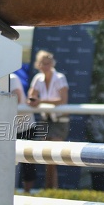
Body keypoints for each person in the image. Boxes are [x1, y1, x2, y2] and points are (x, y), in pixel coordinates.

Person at [28, 50, 69, 189]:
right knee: (47, 158)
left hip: (59, 121)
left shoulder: (60, 77)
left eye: (48, 63)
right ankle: (50, 190)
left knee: (53, 157)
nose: (46, 66)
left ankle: (52, 190)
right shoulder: (37, 79)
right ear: (38, 65)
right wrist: (33, 100)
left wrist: (40, 101)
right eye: (43, 63)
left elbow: (63, 100)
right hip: (45, 120)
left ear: (52, 64)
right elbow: (31, 96)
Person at [10, 73, 37, 193]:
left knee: (27, 161)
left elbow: (16, 98)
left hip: (25, 126)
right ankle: (10, 192)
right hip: (9, 128)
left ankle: (27, 193)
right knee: (8, 160)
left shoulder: (12, 78)